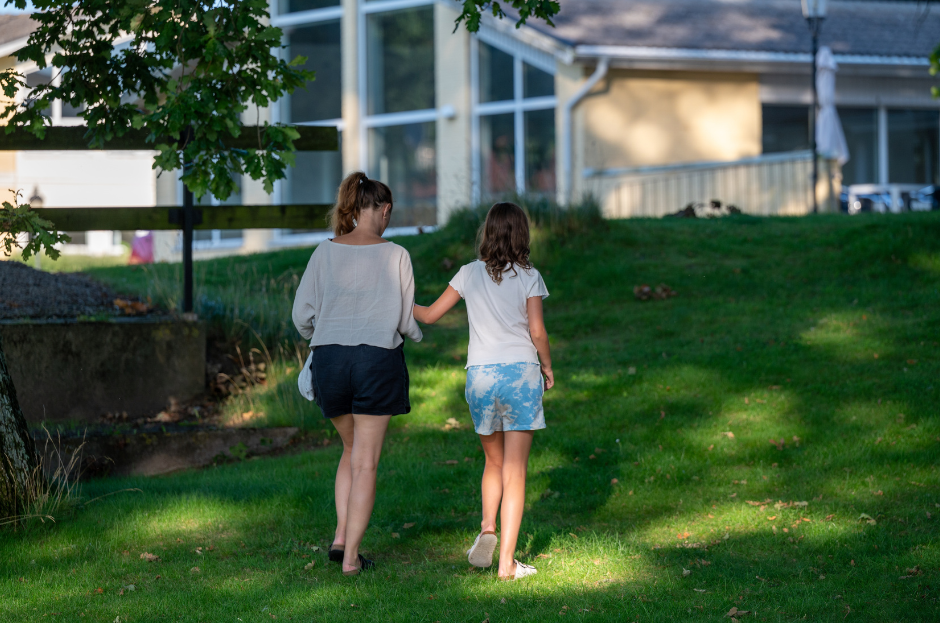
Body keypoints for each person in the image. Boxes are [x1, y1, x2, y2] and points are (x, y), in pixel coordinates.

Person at [413, 202, 553, 581]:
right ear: (522, 234)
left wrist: (392, 300)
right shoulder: (529, 276)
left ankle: (487, 527)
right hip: (520, 375)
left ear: (487, 232)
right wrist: (547, 366)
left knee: (493, 462)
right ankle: (507, 564)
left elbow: (427, 315)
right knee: (516, 470)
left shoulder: (468, 274)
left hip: (480, 377)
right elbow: (537, 331)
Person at [292, 171, 422, 577]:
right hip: (375, 361)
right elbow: (405, 322)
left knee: (349, 451)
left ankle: (340, 537)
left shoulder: (323, 251)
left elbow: (301, 318)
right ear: (383, 210)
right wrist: (416, 334)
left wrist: (326, 335)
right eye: (389, 214)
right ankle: (351, 560)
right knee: (365, 462)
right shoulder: (396, 254)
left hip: (329, 362)